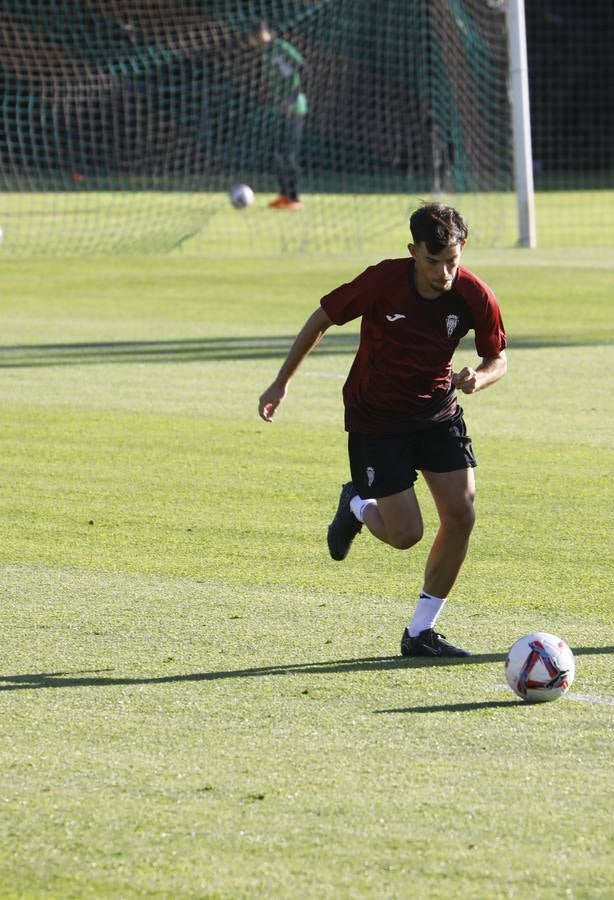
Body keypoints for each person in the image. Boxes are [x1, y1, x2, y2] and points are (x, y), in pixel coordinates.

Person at [258, 203, 507, 657]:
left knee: (462, 515)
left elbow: (497, 358)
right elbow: (322, 318)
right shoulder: (381, 281)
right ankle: (355, 503)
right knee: (404, 535)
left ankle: (420, 633)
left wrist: (479, 377)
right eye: (432, 262)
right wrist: (281, 382)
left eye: (452, 260)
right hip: (377, 420)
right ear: (413, 251)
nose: (444, 272)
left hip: (437, 413)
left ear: (462, 248)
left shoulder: (474, 294)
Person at [255, 21, 308, 210]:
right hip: (280, 110)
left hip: (296, 109)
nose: (256, 39)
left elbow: (303, 68)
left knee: (289, 154)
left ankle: (295, 199)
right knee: (276, 154)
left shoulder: (281, 48)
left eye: (259, 34)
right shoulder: (265, 54)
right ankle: (284, 196)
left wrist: (292, 99)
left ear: (267, 32)